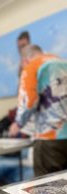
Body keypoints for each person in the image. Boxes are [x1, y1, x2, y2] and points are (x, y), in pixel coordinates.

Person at [9, 44, 67, 176]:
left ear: (24, 60)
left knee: (46, 189)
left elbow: (28, 101)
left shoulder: (32, 66)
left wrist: (18, 124)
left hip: (50, 138)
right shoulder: (64, 62)